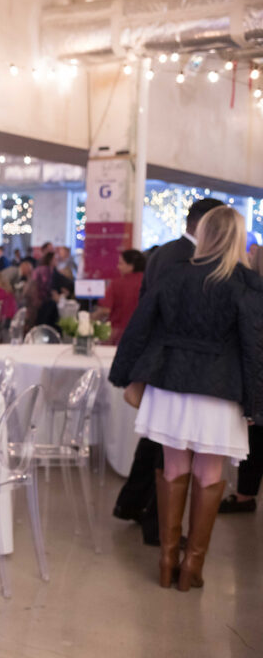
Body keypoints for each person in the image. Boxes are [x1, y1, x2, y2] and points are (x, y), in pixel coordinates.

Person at [109, 206, 263, 592]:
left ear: (205, 233)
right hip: (220, 388)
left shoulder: (176, 273)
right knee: (210, 475)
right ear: (238, 239)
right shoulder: (245, 283)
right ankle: (192, 568)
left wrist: (123, 372)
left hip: (170, 384)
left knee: (172, 468)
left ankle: (166, 561)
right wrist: (255, 403)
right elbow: (254, 347)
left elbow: (141, 324)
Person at [112, 198, 225, 545]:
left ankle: (133, 505)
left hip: (161, 360)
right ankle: (155, 524)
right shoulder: (184, 258)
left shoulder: (166, 252)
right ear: (205, 225)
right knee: (168, 448)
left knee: (157, 442)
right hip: (171, 364)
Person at [219, 245, 263, 514]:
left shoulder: (250, 293)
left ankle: (245, 495)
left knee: (257, 436)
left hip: (257, 374)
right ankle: (244, 494)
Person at [92, 249, 145, 345]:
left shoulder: (117, 284)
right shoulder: (148, 283)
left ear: (131, 266)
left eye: (121, 264)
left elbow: (105, 310)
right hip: (142, 332)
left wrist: (90, 319)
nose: (118, 267)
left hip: (117, 333)